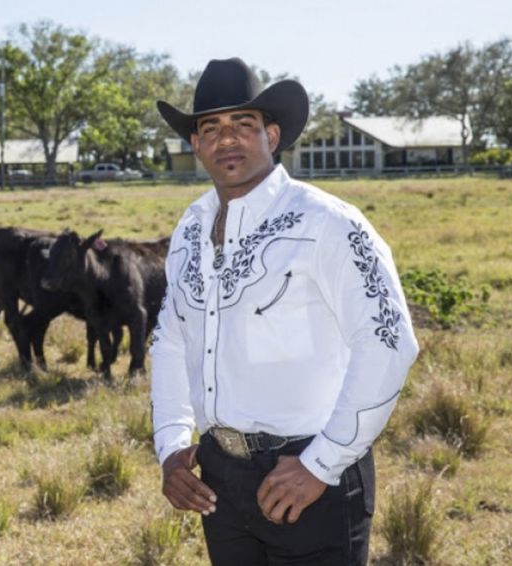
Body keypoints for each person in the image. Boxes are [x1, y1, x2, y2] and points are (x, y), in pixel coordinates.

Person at [150, 58, 419, 565]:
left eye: (243, 124)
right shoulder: (190, 229)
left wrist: (321, 464)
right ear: (196, 145)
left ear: (272, 135)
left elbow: (388, 341)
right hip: (221, 478)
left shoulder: (328, 223)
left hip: (311, 474)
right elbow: (170, 340)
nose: (226, 139)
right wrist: (170, 446)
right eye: (211, 127)